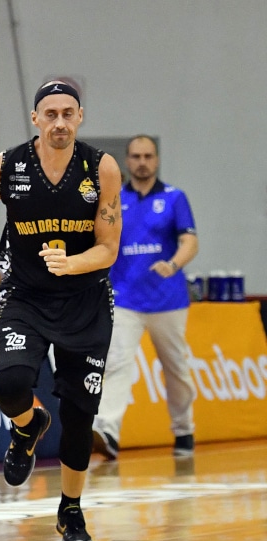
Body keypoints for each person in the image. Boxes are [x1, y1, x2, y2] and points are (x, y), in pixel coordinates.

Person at [0, 80, 122, 541]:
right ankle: (29, 425)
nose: (59, 122)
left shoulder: (101, 167)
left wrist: (73, 264)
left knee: (79, 415)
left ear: (80, 117)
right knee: (9, 385)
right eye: (49, 113)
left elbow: (109, 248)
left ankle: (70, 510)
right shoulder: (8, 165)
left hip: (85, 300)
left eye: (67, 113)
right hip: (26, 297)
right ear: (35, 118)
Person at [92, 135, 199, 460]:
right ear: (127, 161)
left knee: (176, 368)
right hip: (125, 299)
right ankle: (107, 431)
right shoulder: (113, 200)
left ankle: (184, 430)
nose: (142, 162)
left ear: (156, 160)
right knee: (117, 364)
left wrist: (174, 263)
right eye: (136, 156)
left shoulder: (174, 198)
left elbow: (190, 241)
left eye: (148, 156)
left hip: (168, 300)